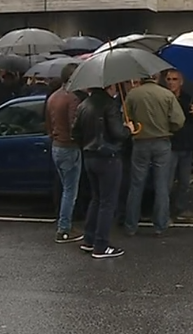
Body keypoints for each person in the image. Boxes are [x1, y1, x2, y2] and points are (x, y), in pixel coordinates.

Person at [72, 84, 133, 258]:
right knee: (108, 202)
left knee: (96, 199)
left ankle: (89, 240)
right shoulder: (110, 105)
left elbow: (75, 132)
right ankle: (101, 245)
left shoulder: (83, 105)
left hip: (89, 156)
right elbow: (117, 132)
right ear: (109, 86)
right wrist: (128, 128)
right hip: (108, 156)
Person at [124, 74, 186, 236]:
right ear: (156, 77)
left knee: (136, 184)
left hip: (140, 141)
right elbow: (179, 120)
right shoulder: (166, 95)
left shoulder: (132, 95)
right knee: (162, 185)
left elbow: (126, 118)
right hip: (162, 141)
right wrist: (168, 127)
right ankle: (160, 223)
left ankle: (131, 224)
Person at [45, 63, 84, 243]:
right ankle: (64, 228)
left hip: (56, 145)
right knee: (70, 190)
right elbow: (73, 125)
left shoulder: (53, 97)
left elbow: (48, 123)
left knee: (65, 188)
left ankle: (64, 224)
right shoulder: (72, 98)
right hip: (69, 147)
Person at [164, 70, 193, 222]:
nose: (171, 82)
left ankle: (181, 208)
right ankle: (164, 211)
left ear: (181, 81)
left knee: (185, 181)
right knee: (167, 181)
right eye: (168, 79)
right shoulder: (164, 98)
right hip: (171, 145)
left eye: (174, 79)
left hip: (186, 144)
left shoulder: (188, 98)